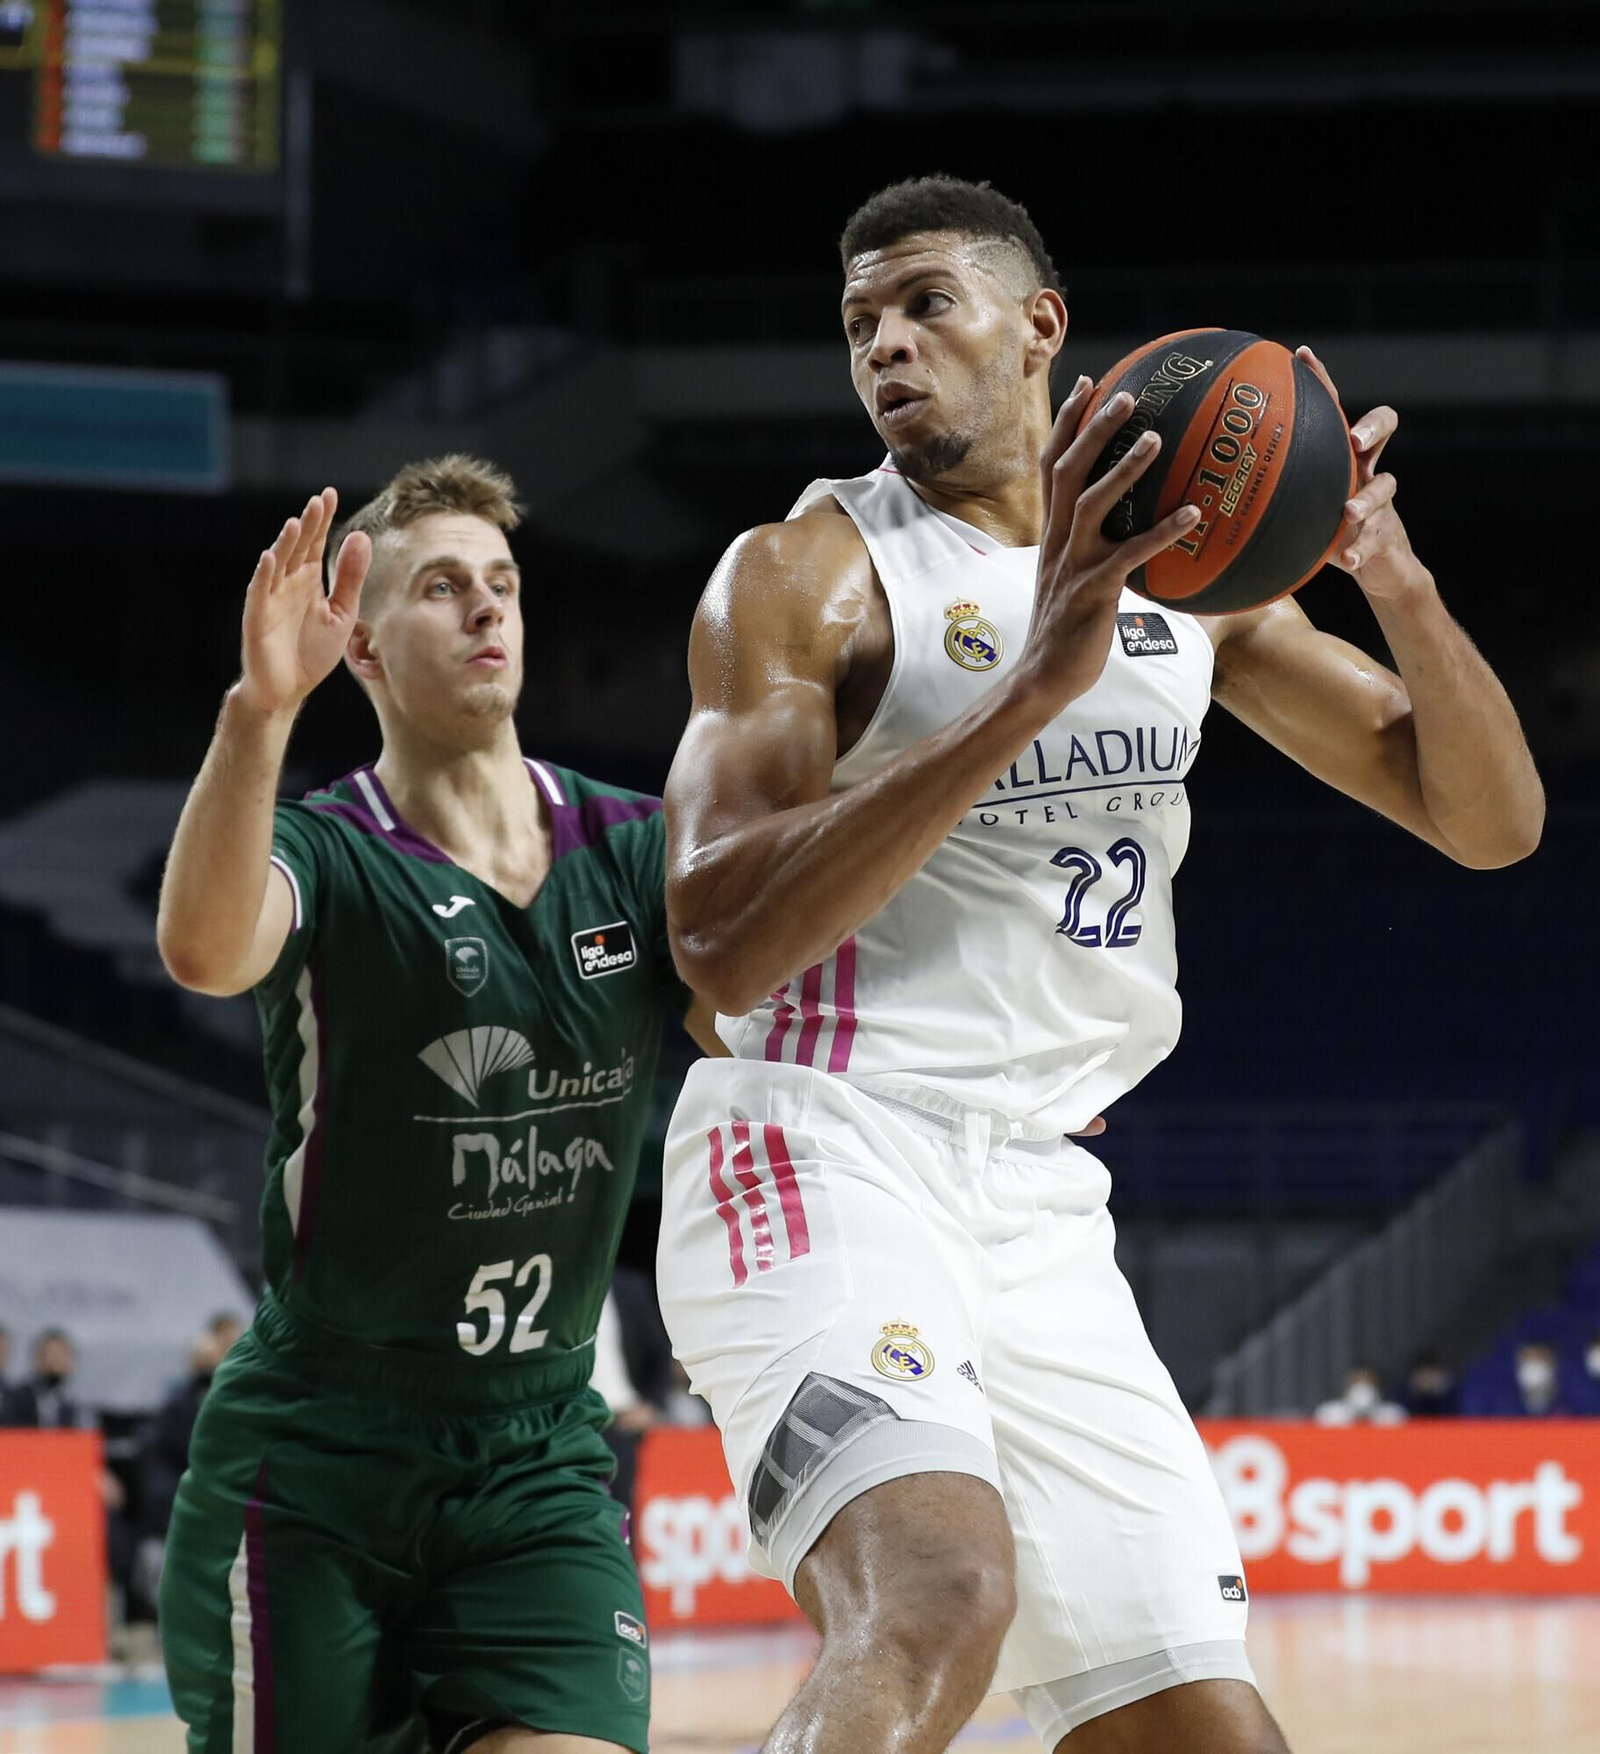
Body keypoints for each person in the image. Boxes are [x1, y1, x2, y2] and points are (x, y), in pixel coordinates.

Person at [655, 175, 1543, 1754]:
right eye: (861, 322)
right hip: (824, 1139)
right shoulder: (807, 573)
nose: (887, 345)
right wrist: (1026, 688)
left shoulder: (1188, 581)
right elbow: (715, 937)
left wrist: (1394, 583)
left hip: (1042, 1193)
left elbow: (1487, 822)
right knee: (937, 1597)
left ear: (1039, 326)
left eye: (927, 303)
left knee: (1205, 1726)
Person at [156, 458, 716, 1754]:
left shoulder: (635, 844)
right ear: (360, 643)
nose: (485, 608)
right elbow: (204, 947)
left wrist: (967, 1068)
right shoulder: (329, 850)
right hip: (318, 1456)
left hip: (536, 1453)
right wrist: (257, 711)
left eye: (502, 584)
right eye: (444, 586)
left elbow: (775, 1016)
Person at [1, 1328, 88, 1429]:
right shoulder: (13, 1400)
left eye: (60, 1355)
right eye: (49, 1354)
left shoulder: (74, 1408)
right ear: (37, 1359)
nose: (54, 1361)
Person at [1313, 1365, 1406, 1426]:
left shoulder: (1393, 1414)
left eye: (1368, 1382)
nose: (1362, 1387)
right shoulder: (1328, 1413)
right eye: (1356, 1382)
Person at [1402, 1351, 1460, 1418]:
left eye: (1432, 1373)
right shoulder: (1406, 1394)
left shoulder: (1453, 1395)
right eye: (1424, 1373)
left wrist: (1441, 1394)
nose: (1428, 1378)